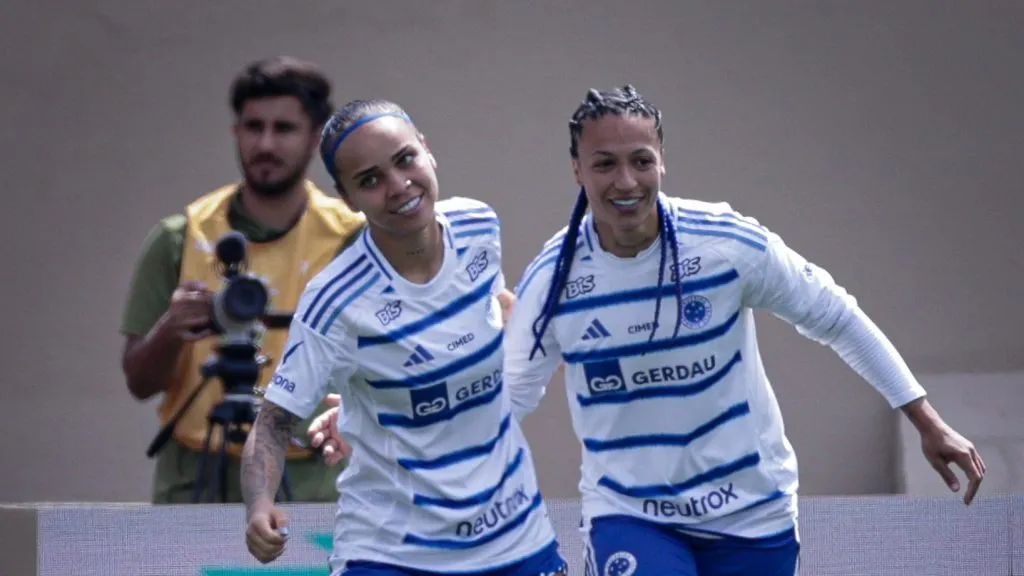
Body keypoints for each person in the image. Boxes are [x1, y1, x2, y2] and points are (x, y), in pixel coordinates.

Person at [310, 85, 988, 575]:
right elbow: (505, 395)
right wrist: (383, 413)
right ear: (578, 170)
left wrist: (926, 420)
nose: (625, 180)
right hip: (631, 514)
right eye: (604, 164)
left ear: (663, 161)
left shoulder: (727, 244)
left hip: (753, 507)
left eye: (640, 160)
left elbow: (836, 317)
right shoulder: (555, 278)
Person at [241, 98, 568, 576]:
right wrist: (258, 505)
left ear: (427, 151)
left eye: (405, 159)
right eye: (370, 180)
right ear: (348, 198)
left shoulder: (478, 226)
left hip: (514, 536)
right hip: (391, 553)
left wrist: (379, 405)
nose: (398, 186)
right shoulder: (335, 300)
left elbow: (490, 312)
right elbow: (273, 424)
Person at [119, 56, 364, 504]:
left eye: (284, 128)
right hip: (195, 476)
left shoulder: (353, 240)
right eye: (253, 126)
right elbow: (138, 382)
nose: (265, 143)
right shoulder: (180, 238)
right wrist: (171, 330)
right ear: (236, 131)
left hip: (309, 478)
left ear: (315, 138)